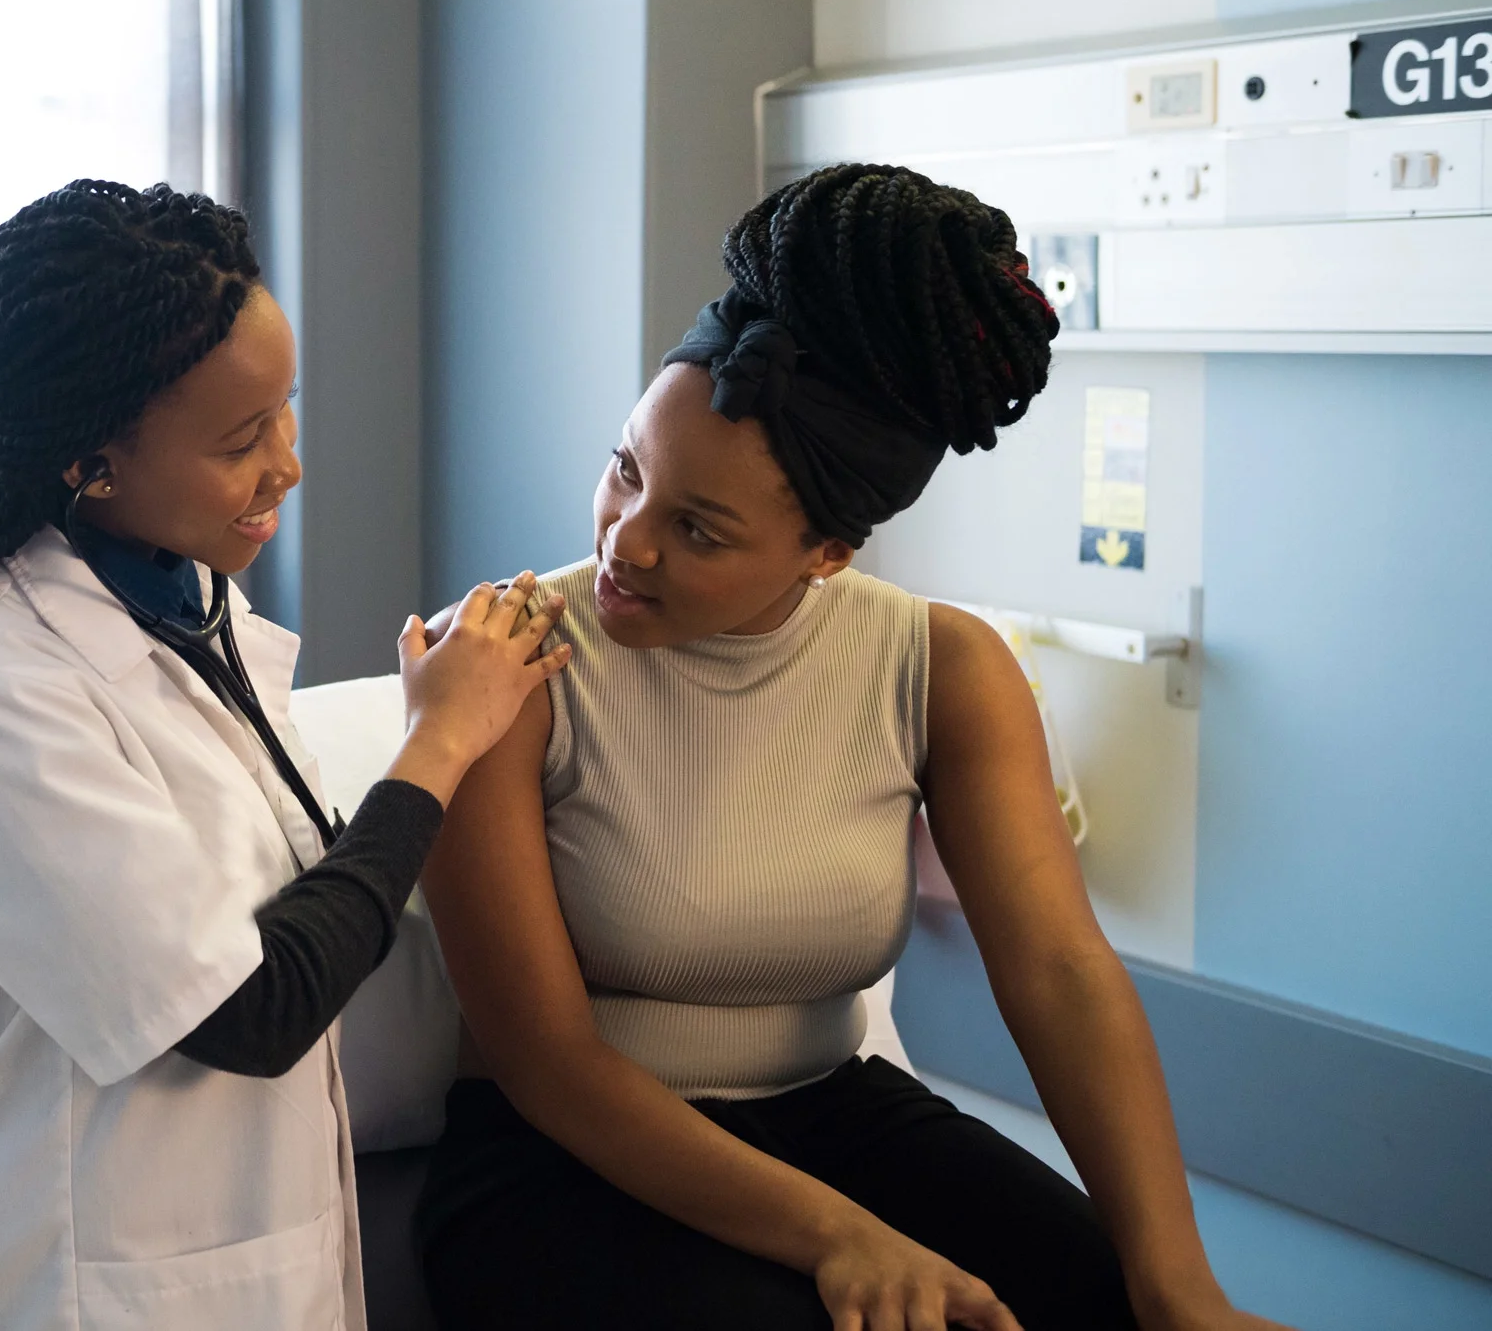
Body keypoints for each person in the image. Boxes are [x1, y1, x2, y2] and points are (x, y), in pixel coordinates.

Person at [414, 165, 1292, 1331]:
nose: (627, 543)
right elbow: (547, 1064)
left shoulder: (941, 669)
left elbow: (1063, 974)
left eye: (698, 529)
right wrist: (844, 1237)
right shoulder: (504, 658)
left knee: (1113, 1308)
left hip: (834, 1117)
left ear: (828, 553)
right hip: (558, 1162)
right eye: (627, 470)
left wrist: (1181, 1287)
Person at [0, 179, 569, 1331]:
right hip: (68, 1288)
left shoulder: (185, 611)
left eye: (286, 412)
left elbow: (304, 909)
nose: (288, 465)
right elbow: (257, 1009)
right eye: (241, 440)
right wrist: (439, 741)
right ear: (93, 463)